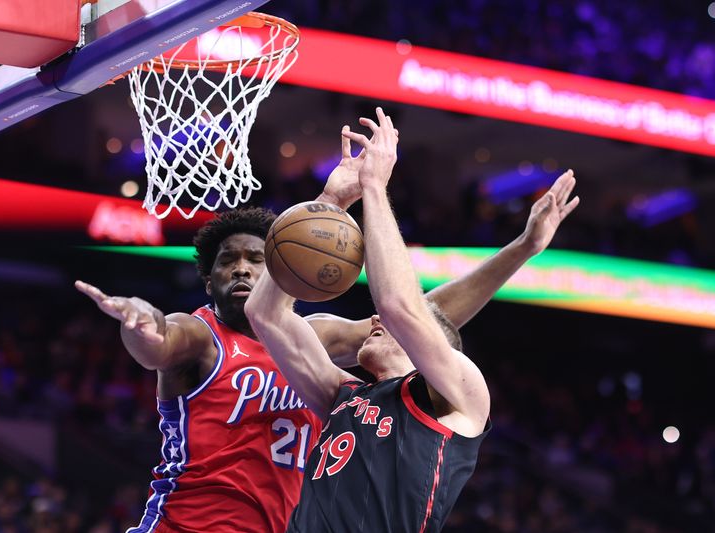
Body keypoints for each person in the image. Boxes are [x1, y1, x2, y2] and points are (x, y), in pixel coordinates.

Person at [75, 113, 579, 533]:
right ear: (208, 279)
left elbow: (414, 312)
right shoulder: (327, 385)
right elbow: (199, 330)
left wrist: (518, 248)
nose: (246, 270)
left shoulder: (452, 392)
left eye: (258, 257)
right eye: (232, 262)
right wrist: (331, 202)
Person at [244, 108, 578, 532]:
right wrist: (329, 206)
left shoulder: (460, 399)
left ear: (432, 343)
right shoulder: (342, 395)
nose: (375, 320)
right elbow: (264, 314)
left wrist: (375, 188)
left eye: (399, 325)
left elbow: (398, 306)